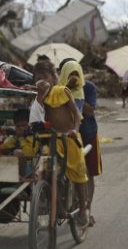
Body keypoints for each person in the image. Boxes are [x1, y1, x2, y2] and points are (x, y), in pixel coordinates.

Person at [32, 60, 89, 226]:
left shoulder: (62, 91)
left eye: (45, 76)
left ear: (53, 78)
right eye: (38, 77)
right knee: (48, 171)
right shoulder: (38, 96)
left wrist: (75, 130)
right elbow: (38, 115)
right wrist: (40, 95)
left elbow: (76, 114)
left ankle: (84, 210)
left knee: (78, 173)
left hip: (70, 138)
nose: (42, 80)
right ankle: (58, 207)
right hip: (52, 139)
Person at [58, 59, 101, 227]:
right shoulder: (57, 89)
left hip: (87, 134)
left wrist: (77, 95)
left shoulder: (88, 87)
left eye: (76, 73)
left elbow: (90, 111)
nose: (73, 76)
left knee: (88, 173)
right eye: (69, 72)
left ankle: (87, 211)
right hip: (66, 137)